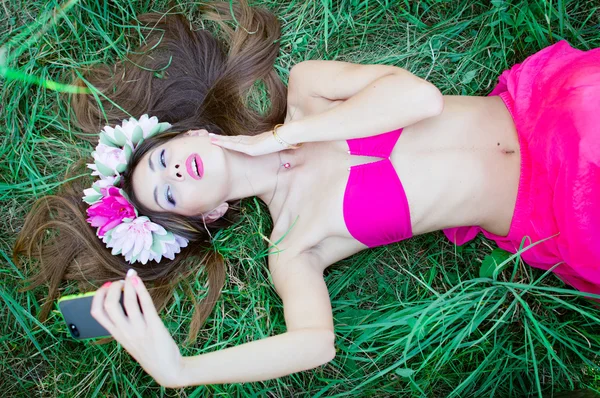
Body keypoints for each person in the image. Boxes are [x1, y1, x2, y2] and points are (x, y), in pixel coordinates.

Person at [14, 0, 600, 388]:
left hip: (555, 109)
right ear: (209, 213)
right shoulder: (294, 247)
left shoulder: (310, 86)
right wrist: (179, 370)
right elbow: (314, 344)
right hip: (562, 211)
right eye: (168, 195)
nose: (174, 175)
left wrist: (290, 134)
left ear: (195, 134)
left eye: (164, 160)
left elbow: (420, 101)